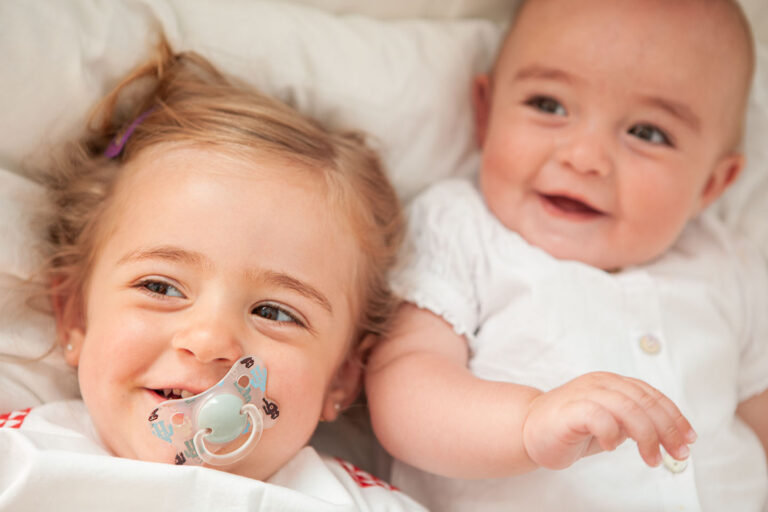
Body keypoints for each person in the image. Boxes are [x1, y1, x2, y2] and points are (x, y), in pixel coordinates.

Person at [365, 0, 768, 510]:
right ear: (485, 113)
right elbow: (406, 392)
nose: (584, 158)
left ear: (712, 183)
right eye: (549, 105)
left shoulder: (731, 263)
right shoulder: (460, 227)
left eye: (647, 133)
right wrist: (529, 423)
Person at [0, 42, 425, 511]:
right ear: (75, 315)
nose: (209, 341)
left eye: (274, 312)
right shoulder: (21, 458)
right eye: (160, 287)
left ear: (342, 376)